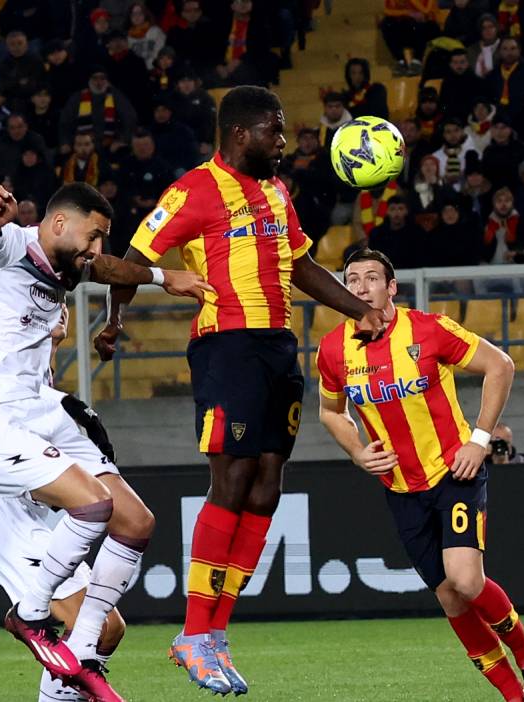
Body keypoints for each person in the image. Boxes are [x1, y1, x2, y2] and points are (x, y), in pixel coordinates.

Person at [94, 86, 385, 696]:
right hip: (227, 347)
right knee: (231, 479)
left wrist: (358, 308)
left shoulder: (277, 193)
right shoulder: (194, 190)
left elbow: (302, 266)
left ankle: (215, 633)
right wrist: (115, 321)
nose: (283, 143)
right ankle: (193, 634)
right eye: (274, 132)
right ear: (239, 134)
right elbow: (134, 256)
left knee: (267, 487)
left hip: (279, 347)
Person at [0, 181, 209, 700]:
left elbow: (106, 268)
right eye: (93, 236)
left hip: (34, 416)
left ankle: (80, 651)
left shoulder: (67, 272)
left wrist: (162, 278)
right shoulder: (10, 246)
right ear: (59, 223)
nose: (97, 249)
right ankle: (30, 615)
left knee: (135, 523)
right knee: (94, 506)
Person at [317, 248, 524, 702]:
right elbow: (331, 411)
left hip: (453, 472)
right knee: (449, 596)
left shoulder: (428, 329)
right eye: (352, 279)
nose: (361, 287)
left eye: (372, 278)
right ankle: (514, 696)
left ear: (391, 287)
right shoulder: (333, 349)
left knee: (466, 580)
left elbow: (500, 366)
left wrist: (479, 440)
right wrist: (357, 452)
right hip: (400, 489)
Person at [0, 312, 130, 702]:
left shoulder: (44, 382)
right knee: (90, 624)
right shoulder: (2, 366)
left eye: (61, 302)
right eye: (48, 301)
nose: (58, 307)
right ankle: (28, 617)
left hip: (32, 510)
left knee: (110, 628)